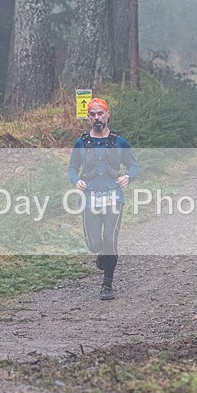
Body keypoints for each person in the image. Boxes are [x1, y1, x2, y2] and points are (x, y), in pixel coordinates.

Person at [67, 97, 139, 300]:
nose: (97, 118)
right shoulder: (81, 143)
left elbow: (134, 165)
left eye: (100, 114)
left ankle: (107, 284)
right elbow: (72, 168)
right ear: (88, 118)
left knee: (110, 239)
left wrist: (128, 176)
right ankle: (102, 258)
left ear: (107, 115)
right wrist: (76, 181)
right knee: (94, 244)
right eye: (92, 114)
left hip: (114, 198)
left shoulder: (119, 142)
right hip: (90, 199)